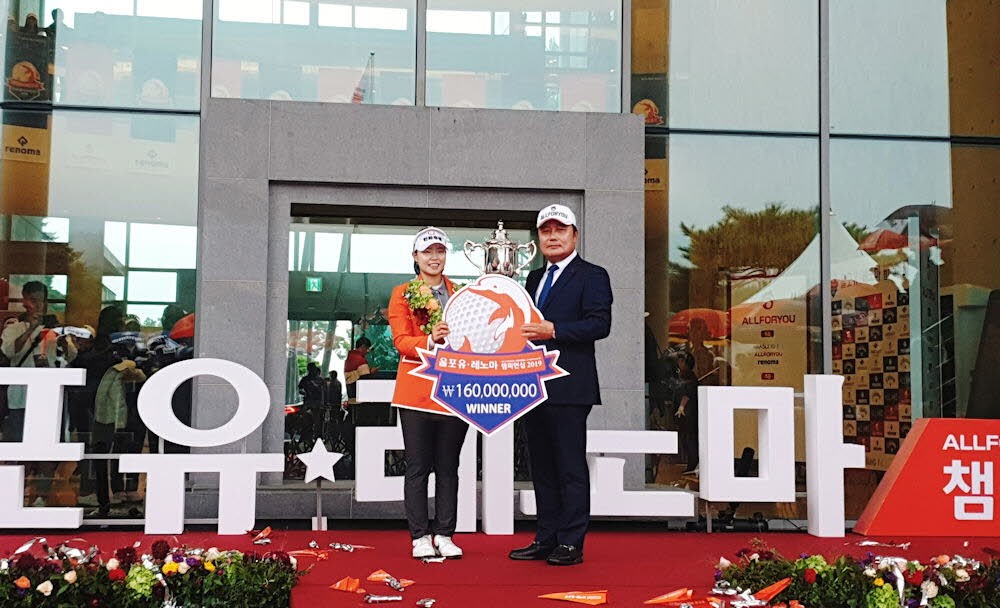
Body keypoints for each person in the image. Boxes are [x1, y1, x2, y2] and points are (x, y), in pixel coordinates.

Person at [509, 204, 612, 566]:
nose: (552, 237)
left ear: (575, 235)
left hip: (570, 386)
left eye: (560, 230)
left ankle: (571, 542)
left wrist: (554, 330)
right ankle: (546, 537)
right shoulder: (534, 278)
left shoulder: (593, 275)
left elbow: (600, 324)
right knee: (541, 468)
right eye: (546, 231)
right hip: (533, 386)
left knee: (569, 467)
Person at [387, 227, 468, 560]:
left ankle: (445, 533)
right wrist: (431, 340)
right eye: (427, 251)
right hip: (416, 393)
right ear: (416, 257)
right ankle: (419, 535)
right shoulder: (403, 294)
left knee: (449, 467)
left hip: (454, 391)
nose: (434, 257)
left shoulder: (462, 293)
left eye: (440, 251)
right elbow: (401, 341)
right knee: (418, 466)